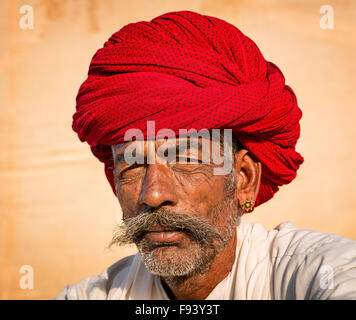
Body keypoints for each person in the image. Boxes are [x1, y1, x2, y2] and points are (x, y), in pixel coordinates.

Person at [55, 10, 356, 300]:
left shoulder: (321, 273)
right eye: (132, 165)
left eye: (185, 159)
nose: (154, 194)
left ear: (244, 180)